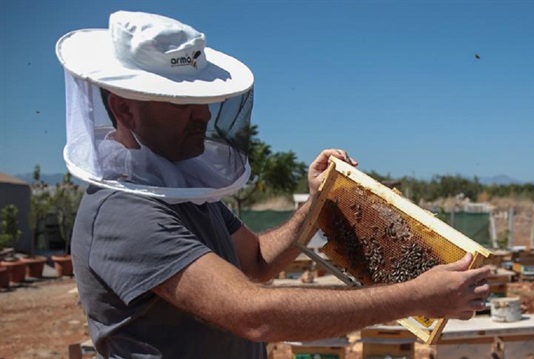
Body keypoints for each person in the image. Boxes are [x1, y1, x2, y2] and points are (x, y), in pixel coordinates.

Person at [56, 10, 490, 358]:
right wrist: (414, 296)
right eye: (182, 103)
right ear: (125, 110)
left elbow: (258, 260)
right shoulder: (127, 213)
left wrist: (321, 202)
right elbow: (254, 315)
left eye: (204, 101)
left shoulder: (184, 192)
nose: (204, 116)